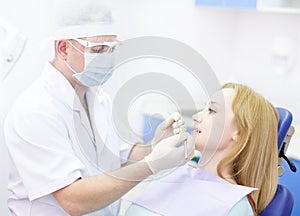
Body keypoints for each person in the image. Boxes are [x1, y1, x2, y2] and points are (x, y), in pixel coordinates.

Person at [3, 1, 194, 215]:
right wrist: (151, 164)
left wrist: (153, 146)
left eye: (111, 49)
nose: (106, 58)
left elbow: (120, 155)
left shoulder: (98, 97)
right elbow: (73, 200)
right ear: (63, 48)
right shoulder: (36, 110)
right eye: (98, 50)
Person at [125, 82, 279, 216]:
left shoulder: (235, 207)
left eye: (212, 111)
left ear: (240, 132)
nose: (196, 116)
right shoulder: (171, 173)